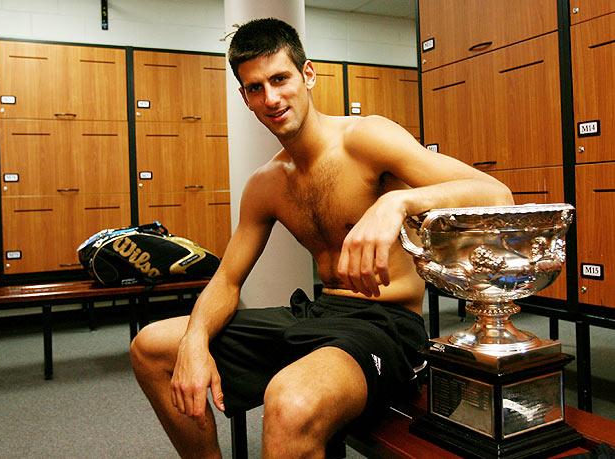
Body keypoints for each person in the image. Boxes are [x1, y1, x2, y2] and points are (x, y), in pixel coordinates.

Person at [130, 17, 513, 458]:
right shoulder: (267, 184)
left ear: (307, 75)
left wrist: (397, 204)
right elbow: (227, 281)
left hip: (385, 325)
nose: (271, 98)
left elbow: (496, 194)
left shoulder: (366, 139)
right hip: (315, 313)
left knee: (290, 404)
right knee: (153, 347)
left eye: (280, 79)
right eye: (256, 88)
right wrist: (195, 343)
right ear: (244, 98)